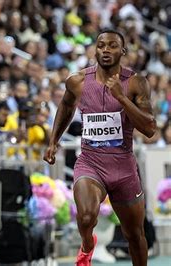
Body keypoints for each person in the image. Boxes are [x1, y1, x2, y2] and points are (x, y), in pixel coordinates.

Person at [44, 29, 156, 266]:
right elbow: (65, 107)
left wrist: (122, 98)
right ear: (95, 50)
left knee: (134, 235)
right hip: (91, 162)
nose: (106, 50)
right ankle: (87, 245)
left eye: (113, 46)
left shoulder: (136, 82)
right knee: (85, 216)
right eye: (101, 45)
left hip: (123, 168)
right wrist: (54, 140)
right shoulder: (78, 81)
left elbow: (149, 128)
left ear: (122, 51)